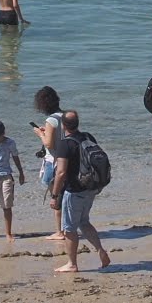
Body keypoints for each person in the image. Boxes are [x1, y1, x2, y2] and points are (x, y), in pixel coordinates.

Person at [48, 110, 109, 273]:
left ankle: (72, 264)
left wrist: (54, 195)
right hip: (90, 188)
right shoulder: (88, 136)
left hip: (74, 191)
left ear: (63, 125)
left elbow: (61, 172)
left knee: (69, 229)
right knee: (84, 222)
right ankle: (100, 250)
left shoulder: (65, 144)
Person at [31, 86, 66, 239]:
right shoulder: (65, 116)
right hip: (67, 160)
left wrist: (40, 134)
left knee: (56, 197)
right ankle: (67, 228)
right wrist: (47, 131)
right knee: (65, 196)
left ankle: (59, 232)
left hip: (54, 162)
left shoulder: (51, 120)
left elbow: (49, 144)